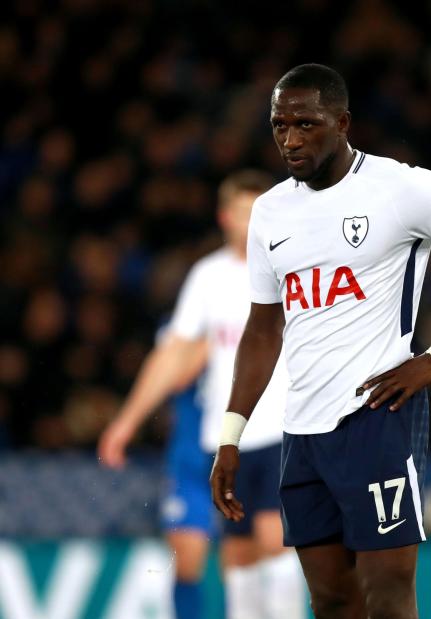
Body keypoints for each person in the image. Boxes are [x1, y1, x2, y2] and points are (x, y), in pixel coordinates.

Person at [209, 63, 431, 619]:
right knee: (330, 599)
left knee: (386, 592)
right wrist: (231, 434)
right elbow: (263, 329)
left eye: (305, 125)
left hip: (378, 415)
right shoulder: (270, 212)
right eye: (280, 126)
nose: (290, 139)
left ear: (342, 122)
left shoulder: (403, 187)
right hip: (301, 429)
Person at [98, 170, 304, 619]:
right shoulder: (208, 277)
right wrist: (127, 422)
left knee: (278, 541)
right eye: (242, 214)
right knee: (239, 554)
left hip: (282, 428)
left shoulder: (296, 269)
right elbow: (175, 355)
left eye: (259, 213)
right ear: (224, 218)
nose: (251, 225)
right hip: (224, 436)